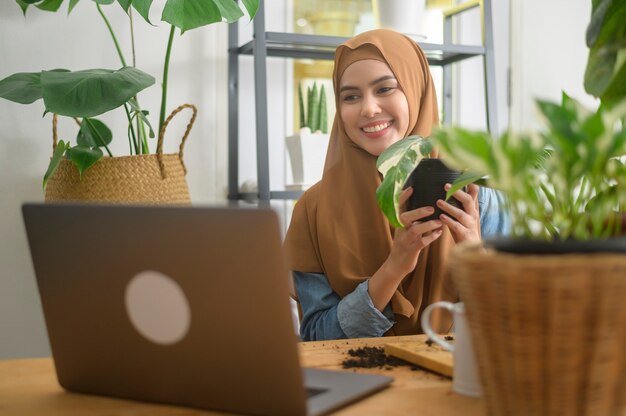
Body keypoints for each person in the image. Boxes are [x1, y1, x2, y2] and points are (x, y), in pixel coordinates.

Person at [284, 29, 509, 342]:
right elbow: (316, 338)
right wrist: (393, 268)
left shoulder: (476, 196)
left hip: (456, 382)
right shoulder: (314, 210)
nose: (368, 109)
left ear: (416, 90)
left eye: (385, 89)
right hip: (356, 384)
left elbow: (516, 326)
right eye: (350, 96)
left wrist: (474, 254)